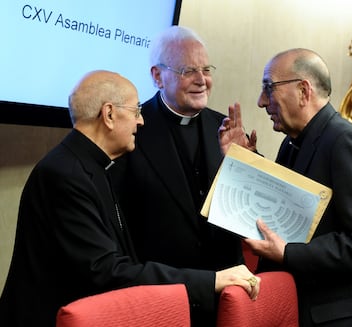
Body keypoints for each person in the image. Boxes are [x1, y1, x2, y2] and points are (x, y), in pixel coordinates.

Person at [0, 70, 260, 327]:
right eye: (136, 111)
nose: (141, 121)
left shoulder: (93, 166)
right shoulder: (65, 175)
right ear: (109, 114)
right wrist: (210, 281)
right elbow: (106, 271)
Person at [221, 48, 352, 326]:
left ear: (304, 90)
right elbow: (285, 208)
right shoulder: (292, 142)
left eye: (269, 87)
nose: (261, 101)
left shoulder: (344, 142)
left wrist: (290, 253)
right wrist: (247, 164)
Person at [111, 25, 258, 326]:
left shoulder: (227, 129)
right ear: (156, 76)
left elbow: (257, 218)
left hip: (226, 299)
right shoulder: (131, 131)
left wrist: (244, 167)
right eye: (188, 70)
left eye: (206, 69)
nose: (201, 80)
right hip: (162, 300)